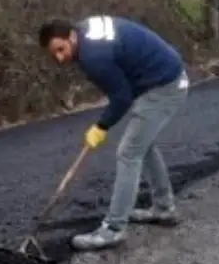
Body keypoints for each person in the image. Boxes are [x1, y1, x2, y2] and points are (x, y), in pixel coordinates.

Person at [37, 16, 191, 251]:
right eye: (54, 54)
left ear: (70, 37)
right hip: (160, 77)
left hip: (165, 85)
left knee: (128, 153)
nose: (60, 58)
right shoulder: (83, 32)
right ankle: (164, 208)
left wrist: (101, 126)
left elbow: (121, 98)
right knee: (143, 145)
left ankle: (113, 229)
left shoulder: (93, 57)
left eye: (61, 49)